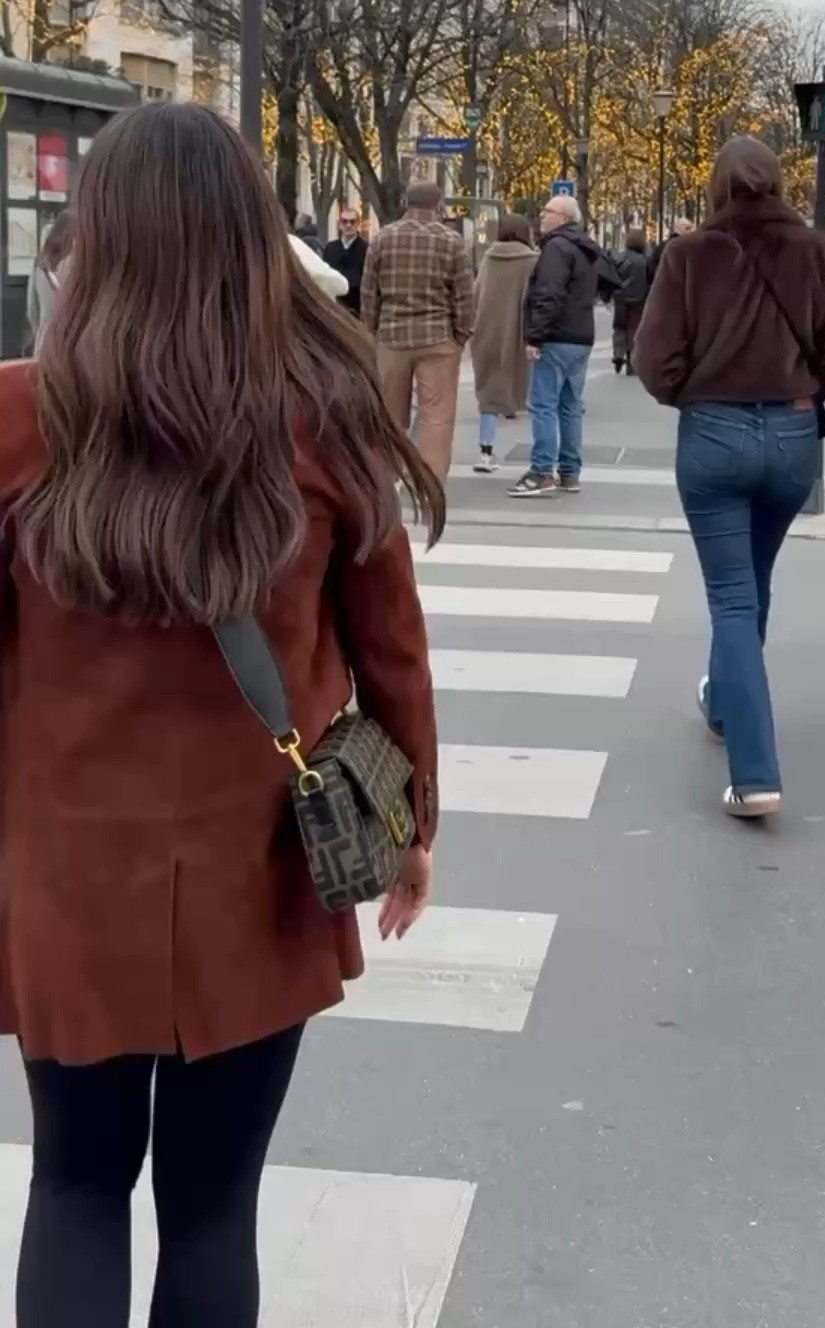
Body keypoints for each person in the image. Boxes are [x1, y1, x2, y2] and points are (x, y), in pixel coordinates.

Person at [0, 102, 442, 1327]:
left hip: (68, 873)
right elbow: (392, 649)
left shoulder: (22, 417)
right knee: (213, 1207)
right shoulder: (322, 416)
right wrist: (413, 825)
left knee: (76, 1185)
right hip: (259, 869)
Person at [635, 137, 825, 818]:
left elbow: (655, 361)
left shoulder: (688, 255)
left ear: (716, 186)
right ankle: (723, 701)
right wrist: (801, 387)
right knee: (752, 580)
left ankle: (756, 772)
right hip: (794, 435)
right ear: (777, 183)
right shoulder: (821, 254)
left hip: (713, 432)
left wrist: (695, 391)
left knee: (732, 597)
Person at [361, 180, 473, 483]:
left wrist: (371, 330)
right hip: (437, 337)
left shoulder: (382, 238)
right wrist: (460, 335)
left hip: (392, 337)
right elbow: (463, 295)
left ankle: (388, 477)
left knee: (390, 415)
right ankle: (431, 483)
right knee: (436, 418)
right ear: (438, 205)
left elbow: (369, 292)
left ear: (406, 204)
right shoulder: (451, 241)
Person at [508, 194, 607, 498]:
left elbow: (548, 293)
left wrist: (535, 336)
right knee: (570, 406)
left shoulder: (556, 248)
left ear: (563, 217)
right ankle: (570, 472)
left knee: (543, 405)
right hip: (581, 337)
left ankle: (541, 472)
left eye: (548, 211)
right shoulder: (585, 247)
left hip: (556, 336)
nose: (542, 215)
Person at [470, 213, 537, 472]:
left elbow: (476, 294)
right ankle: (540, 458)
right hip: (521, 336)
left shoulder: (488, 258)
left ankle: (485, 452)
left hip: (487, 334)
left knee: (489, 394)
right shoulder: (533, 261)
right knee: (534, 396)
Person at [25, 210, 74, 355]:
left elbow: (31, 307)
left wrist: (38, 330)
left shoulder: (39, 263)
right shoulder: (76, 263)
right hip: (69, 342)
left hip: (44, 341)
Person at [611, 227, 650, 373]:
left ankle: (618, 353)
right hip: (639, 298)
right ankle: (632, 361)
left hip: (620, 298)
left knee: (619, 326)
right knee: (634, 328)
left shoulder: (619, 258)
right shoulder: (644, 260)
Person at [324, 204, 369, 315]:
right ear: (339, 224)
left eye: (352, 222)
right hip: (334, 306)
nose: (348, 225)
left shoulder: (366, 249)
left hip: (357, 306)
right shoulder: (330, 248)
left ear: (358, 224)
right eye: (344, 221)